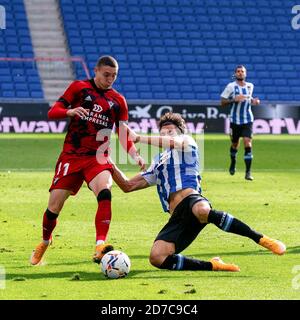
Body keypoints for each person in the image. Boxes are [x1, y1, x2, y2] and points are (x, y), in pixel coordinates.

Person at [111, 112, 286, 272]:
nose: (166, 136)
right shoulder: (157, 162)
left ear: (180, 132)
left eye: (170, 132)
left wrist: (138, 137)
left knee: (202, 211)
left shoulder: (186, 142)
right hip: (177, 218)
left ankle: (262, 239)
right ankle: (214, 265)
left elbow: (175, 142)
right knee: (157, 258)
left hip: (192, 199)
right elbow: (128, 186)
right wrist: (108, 163)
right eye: (163, 133)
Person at [30, 56, 145, 265]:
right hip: (72, 156)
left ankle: (100, 245)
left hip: (98, 157)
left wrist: (134, 153)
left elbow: (122, 131)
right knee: (54, 207)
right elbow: (52, 111)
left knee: (105, 192)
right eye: (106, 75)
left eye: (114, 76)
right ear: (96, 71)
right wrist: (70, 111)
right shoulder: (79, 88)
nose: (110, 79)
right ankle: (45, 241)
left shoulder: (118, 100)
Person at [220, 65, 260, 180]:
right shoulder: (230, 87)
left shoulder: (250, 86)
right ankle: (233, 162)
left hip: (248, 120)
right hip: (235, 120)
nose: (240, 73)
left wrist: (255, 101)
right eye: (238, 71)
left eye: (242, 71)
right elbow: (222, 102)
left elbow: (249, 98)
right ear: (235, 74)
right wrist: (233, 100)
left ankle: (248, 172)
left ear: (245, 74)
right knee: (235, 144)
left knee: (247, 143)